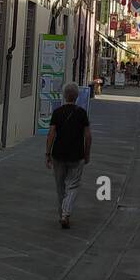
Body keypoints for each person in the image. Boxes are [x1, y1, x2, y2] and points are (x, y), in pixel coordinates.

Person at [46, 81, 92, 228]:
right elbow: (88, 136)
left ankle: (63, 213)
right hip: (76, 154)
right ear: (77, 96)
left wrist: (47, 153)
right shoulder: (81, 113)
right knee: (73, 185)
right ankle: (65, 214)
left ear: (64, 96)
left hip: (58, 154)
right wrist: (87, 153)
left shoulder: (57, 112)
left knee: (60, 186)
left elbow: (51, 133)